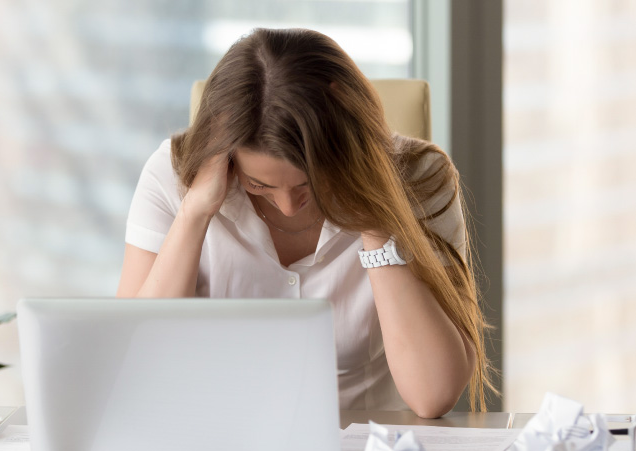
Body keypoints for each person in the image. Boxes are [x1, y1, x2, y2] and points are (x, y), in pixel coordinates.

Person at [117, 27, 496, 418]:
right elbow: (133, 366)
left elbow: (433, 394)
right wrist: (195, 212)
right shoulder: (171, 176)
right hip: (213, 446)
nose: (287, 206)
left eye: (307, 184)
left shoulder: (422, 177)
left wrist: (375, 214)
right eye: (260, 185)